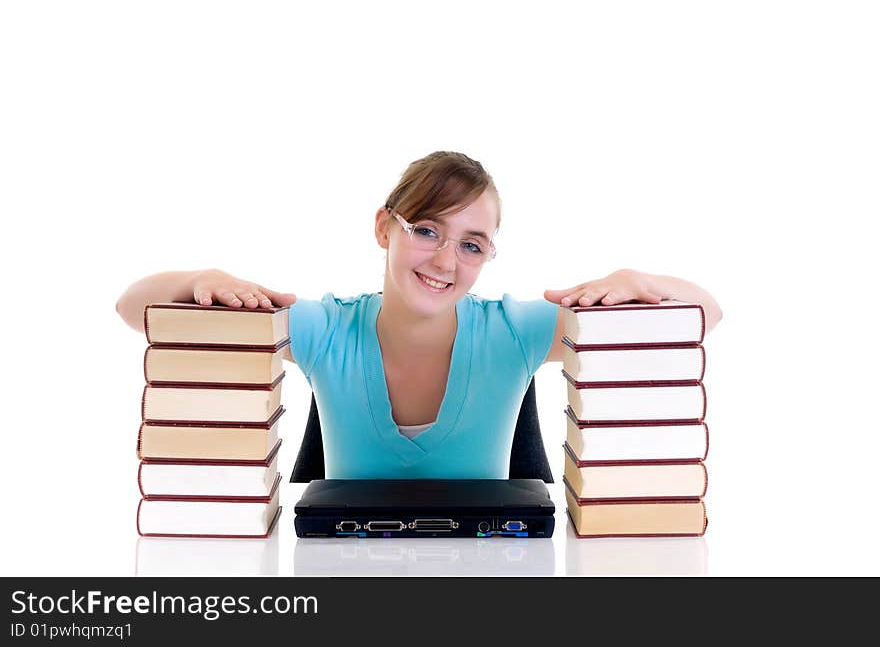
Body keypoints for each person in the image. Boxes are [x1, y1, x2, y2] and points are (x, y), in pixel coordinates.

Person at [116, 151, 722, 479]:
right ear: (385, 227)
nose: (445, 259)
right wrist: (201, 281)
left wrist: (639, 284)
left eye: (471, 244)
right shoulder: (328, 330)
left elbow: (706, 314)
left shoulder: (514, 331)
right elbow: (132, 308)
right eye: (427, 229)